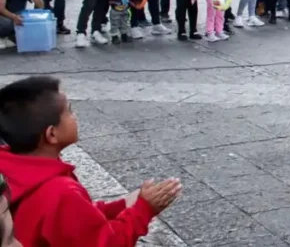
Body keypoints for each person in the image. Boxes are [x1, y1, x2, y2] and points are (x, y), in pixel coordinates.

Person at [0, 76, 182, 245]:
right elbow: (107, 242)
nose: (75, 116)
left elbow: (76, 222)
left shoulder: (14, 169)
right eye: (69, 111)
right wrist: (144, 210)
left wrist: (122, 205)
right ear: (52, 134)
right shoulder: (60, 191)